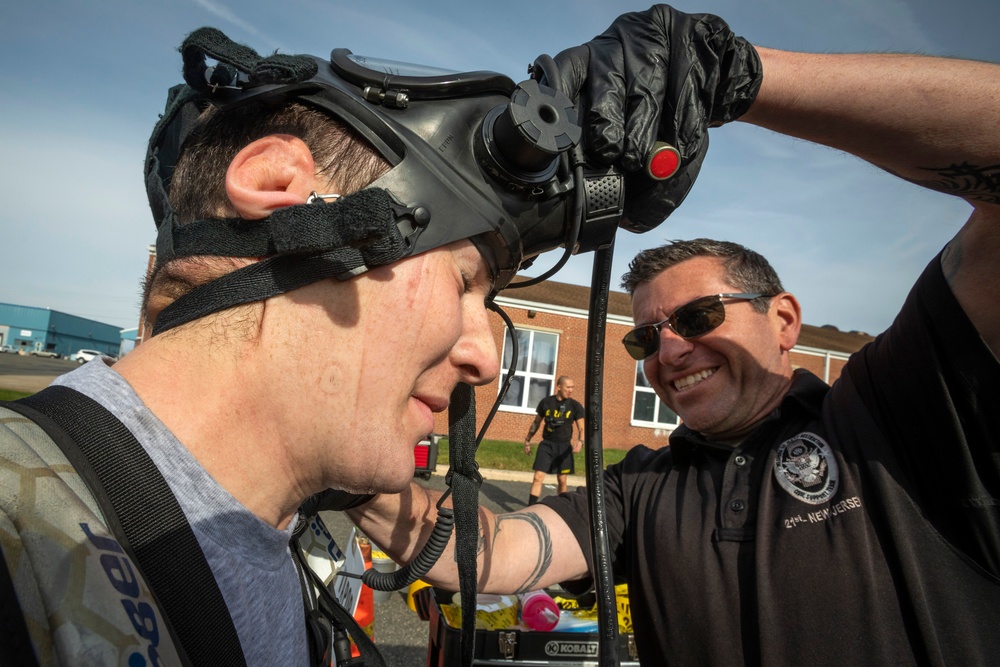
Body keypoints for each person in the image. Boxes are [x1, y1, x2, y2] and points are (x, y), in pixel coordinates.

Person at [347, 4, 1000, 664]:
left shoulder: (892, 414)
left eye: (696, 318)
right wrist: (345, 463)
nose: (668, 350)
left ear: (784, 320)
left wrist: (735, 75)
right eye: (645, 337)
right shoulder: (640, 489)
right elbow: (490, 551)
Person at [0, 27, 532, 666]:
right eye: (465, 281)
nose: (485, 358)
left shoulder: (277, 536)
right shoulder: (17, 528)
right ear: (281, 186)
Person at [523, 375, 584, 504]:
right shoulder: (546, 403)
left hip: (564, 447)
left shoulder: (575, 406)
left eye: (572, 387)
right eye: (568, 387)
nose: (570, 390)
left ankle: (562, 507)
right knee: (538, 477)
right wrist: (527, 439)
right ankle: (530, 506)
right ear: (559, 387)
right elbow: (536, 422)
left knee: (562, 480)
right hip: (547, 445)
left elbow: (582, 428)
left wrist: (580, 441)